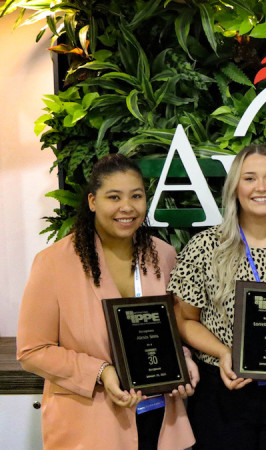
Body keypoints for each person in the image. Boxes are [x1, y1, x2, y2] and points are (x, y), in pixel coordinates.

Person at [17, 154, 196, 450]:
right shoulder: (54, 263)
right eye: (114, 197)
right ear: (92, 201)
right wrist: (101, 372)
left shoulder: (163, 255)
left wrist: (185, 362)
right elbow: (32, 350)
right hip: (90, 427)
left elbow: (173, 331)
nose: (127, 207)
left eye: (136, 196)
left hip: (161, 420)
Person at [169, 144, 266, 449]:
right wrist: (223, 353)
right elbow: (186, 320)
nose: (261, 187)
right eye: (250, 178)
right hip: (223, 391)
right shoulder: (205, 247)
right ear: (235, 188)